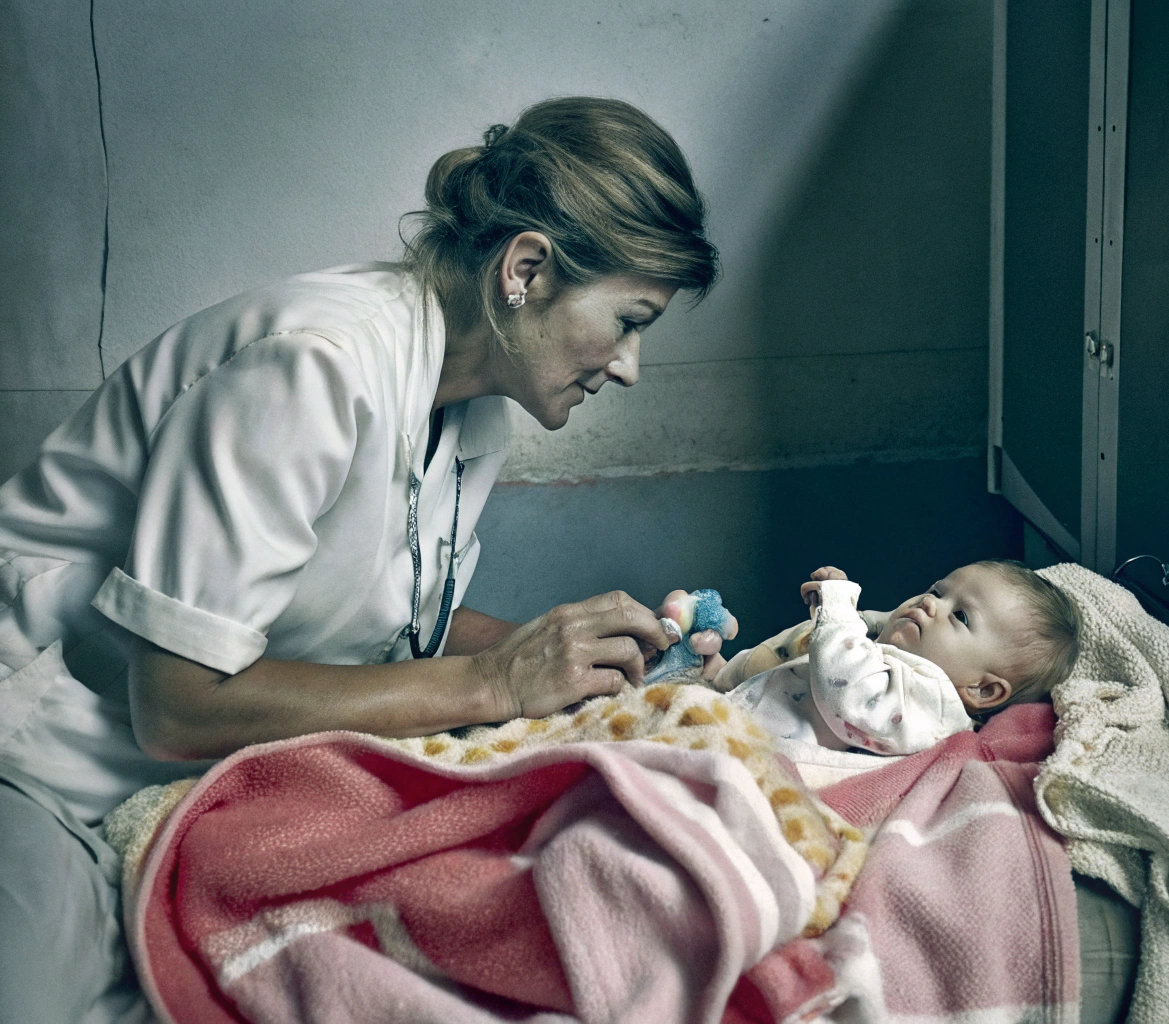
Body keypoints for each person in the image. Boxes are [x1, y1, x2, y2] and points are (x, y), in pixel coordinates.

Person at [0, 97, 720, 1022]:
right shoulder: (314, 364)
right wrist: (500, 682)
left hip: (185, 785)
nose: (627, 366)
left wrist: (592, 660)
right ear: (526, 270)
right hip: (38, 755)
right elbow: (177, 705)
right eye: (627, 320)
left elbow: (395, 628)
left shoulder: (474, 410)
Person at [714, 561, 1081, 755]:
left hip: (750, 752)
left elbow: (848, 691)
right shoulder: (885, 655)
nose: (931, 603)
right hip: (729, 713)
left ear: (982, 689)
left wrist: (839, 610)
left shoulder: (933, 709)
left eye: (960, 616)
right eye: (937, 590)